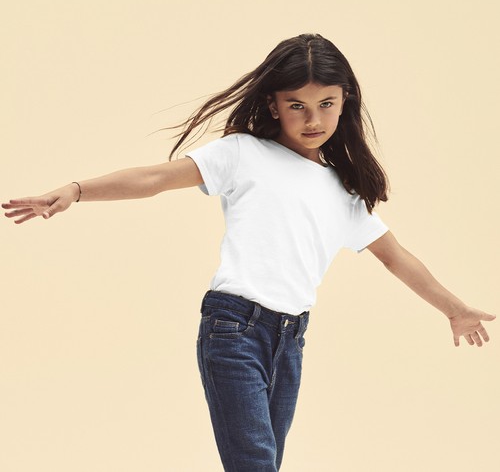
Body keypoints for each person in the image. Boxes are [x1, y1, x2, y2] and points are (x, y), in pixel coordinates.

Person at [2, 33, 496, 472]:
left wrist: (454, 309)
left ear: (345, 101)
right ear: (274, 105)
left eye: (326, 104)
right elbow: (155, 178)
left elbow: (396, 256)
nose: (313, 119)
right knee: (256, 464)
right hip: (234, 329)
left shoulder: (343, 192)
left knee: (265, 463)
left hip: (291, 340)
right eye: (297, 105)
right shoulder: (242, 153)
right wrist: (76, 190)